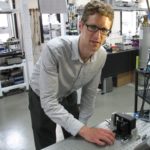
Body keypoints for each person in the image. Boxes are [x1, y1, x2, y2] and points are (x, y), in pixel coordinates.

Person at [28, 1, 115, 150]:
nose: (98, 36)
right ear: (81, 26)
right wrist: (84, 130)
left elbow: (89, 95)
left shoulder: (101, 55)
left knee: (76, 136)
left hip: (68, 92)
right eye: (93, 27)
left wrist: (83, 129)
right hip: (41, 94)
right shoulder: (55, 50)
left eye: (104, 30)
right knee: (45, 141)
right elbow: (48, 102)